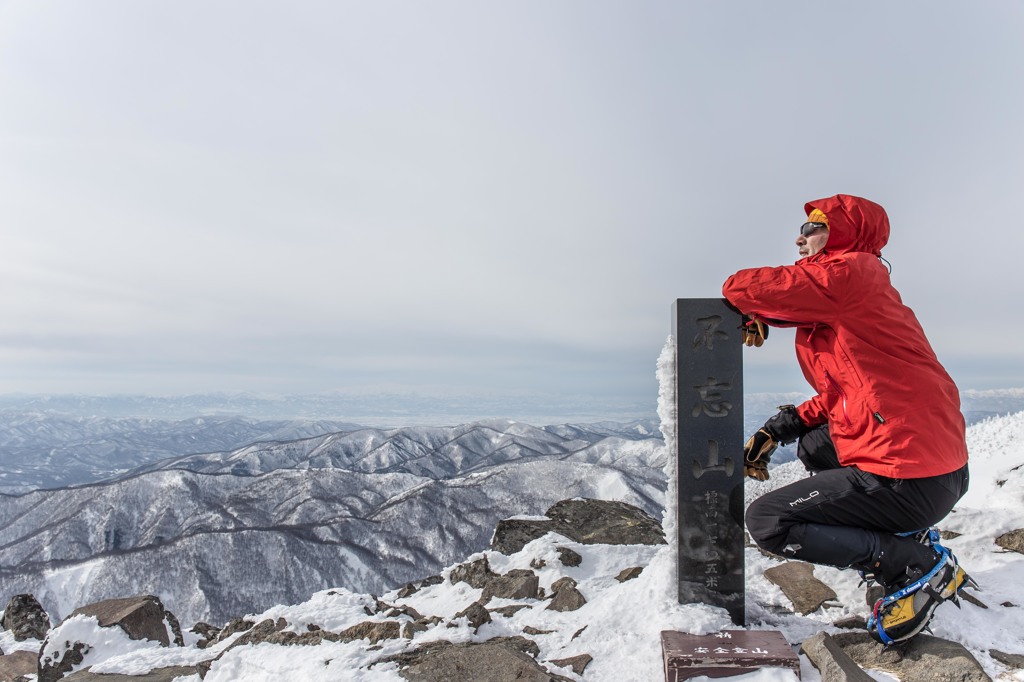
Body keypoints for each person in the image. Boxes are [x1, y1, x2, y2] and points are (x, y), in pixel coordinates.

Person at [722, 194, 973, 645]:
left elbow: (741, 286)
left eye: (814, 227)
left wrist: (754, 306)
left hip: (907, 474)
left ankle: (910, 563)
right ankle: (906, 534)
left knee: (767, 522)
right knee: (816, 443)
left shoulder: (848, 272)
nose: (799, 238)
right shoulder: (856, 289)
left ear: (842, 234)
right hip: (935, 469)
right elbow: (849, 391)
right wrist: (782, 426)